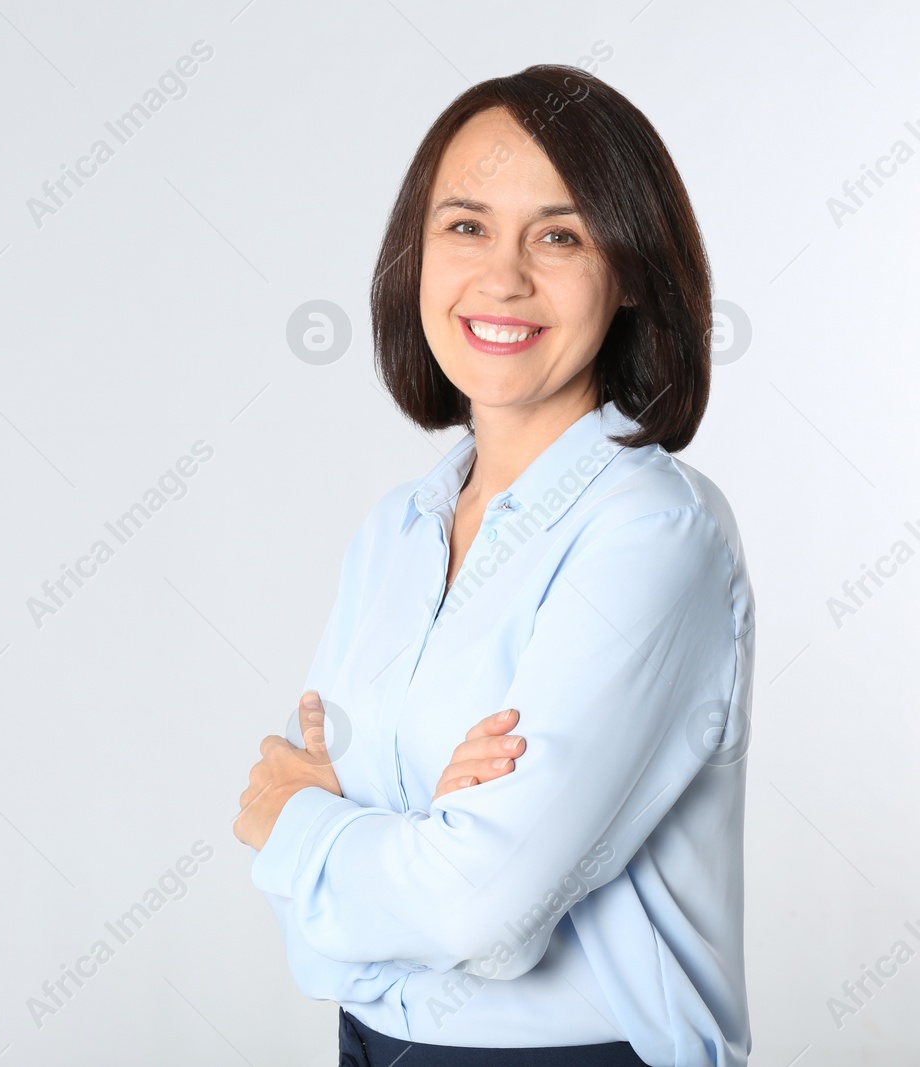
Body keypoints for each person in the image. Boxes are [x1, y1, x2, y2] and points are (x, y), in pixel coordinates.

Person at [234, 65, 753, 1067]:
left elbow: (483, 911)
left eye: (559, 235)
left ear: (631, 270)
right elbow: (322, 926)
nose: (502, 276)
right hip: (368, 1042)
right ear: (414, 256)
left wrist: (308, 820)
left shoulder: (652, 536)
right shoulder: (396, 530)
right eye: (465, 226)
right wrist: (422, 828)